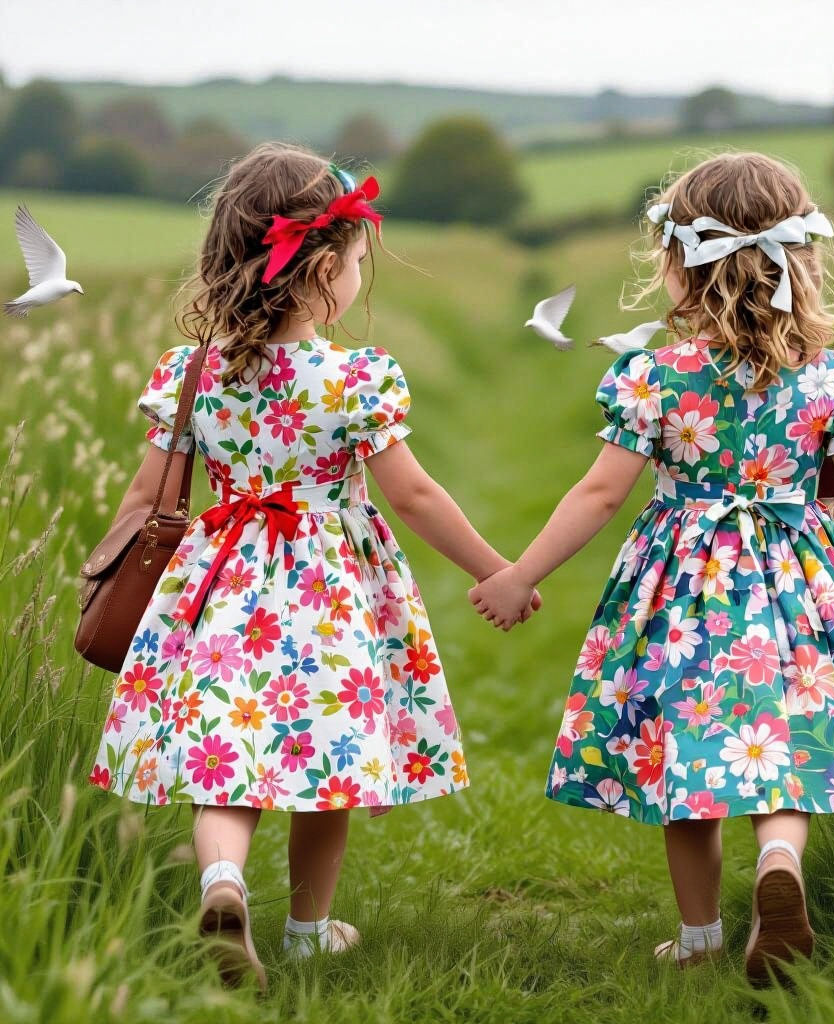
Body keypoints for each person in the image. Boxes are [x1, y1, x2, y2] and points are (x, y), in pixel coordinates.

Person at [468, 151, 834, 985]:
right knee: (782, 741)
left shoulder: (653, 375)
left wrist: (520, 573)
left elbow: (597, 494)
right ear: (802, 259)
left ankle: (698, 938)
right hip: (804, 581)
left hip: (685, 587)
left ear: (676, 262)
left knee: (689, 751)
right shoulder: (829, 377)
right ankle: (781, 863)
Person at [88, 141, 538, 990]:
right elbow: (414, 498)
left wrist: (103, 575)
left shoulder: (192, 375)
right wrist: (497, 569)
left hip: (217, 586)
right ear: (326, 267)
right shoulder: (357, 379)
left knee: (224, 755)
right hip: (331, 590)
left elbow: (146, 499)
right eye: (361, 261)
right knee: (321, 764)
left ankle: (222, 881)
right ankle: (306, 929)